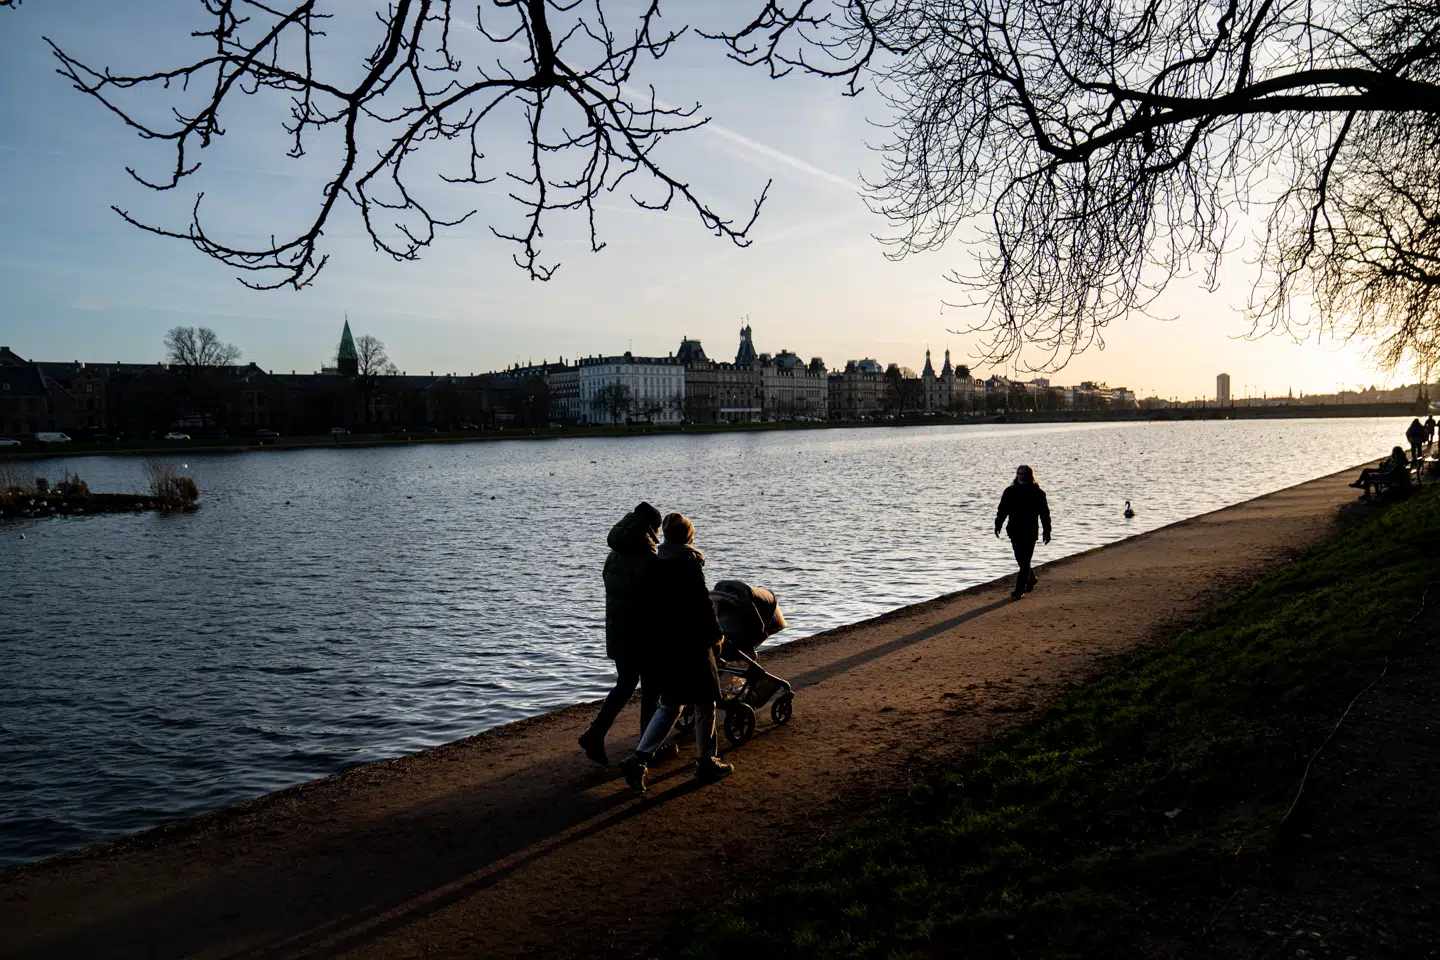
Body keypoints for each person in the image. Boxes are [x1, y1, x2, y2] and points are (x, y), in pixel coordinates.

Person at [618, 513, 733, 795]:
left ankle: (639, 758)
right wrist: (717, 636)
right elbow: (704, 607)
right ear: (688, 537)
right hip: (693, 645)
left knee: (671, 703)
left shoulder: (657, 565)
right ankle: (706, 762)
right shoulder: (690, 564)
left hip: (666, 647)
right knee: (706, 704)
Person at [578, 501, 666, 766]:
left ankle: (595, 733)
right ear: (651, 528)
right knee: (652, 690)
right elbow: (659, 599)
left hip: (618, 632)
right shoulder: (648, 559)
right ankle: (647, 748)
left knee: (625, 684)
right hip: (644, 636)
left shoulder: (615, 553)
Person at [994, 464, 1052, 601]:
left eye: (1025, 474)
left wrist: (1047, 531)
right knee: (1021, 559)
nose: (1022, 476)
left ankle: (1019, 590)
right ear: (1016, 475)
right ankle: (1031, 578)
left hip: (1030, 531)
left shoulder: (1037, 493)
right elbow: (1002, 510)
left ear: (1030, 475)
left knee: (1025, 561)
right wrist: (998, 524)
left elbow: (1044, 514)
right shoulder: (1010, 491)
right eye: (1020, 474)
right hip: (1014, 530)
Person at [710, 580, 786, 658]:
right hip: (734, 632)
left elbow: (758, 624)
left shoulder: (740, 603)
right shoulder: (728, 604)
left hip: (740, 634)